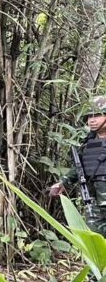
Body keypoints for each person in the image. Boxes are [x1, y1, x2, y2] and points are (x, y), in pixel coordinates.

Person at [49, 95, 106, 234]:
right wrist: (62, 183)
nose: (91, 120)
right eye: (88, 116)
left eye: (97, 115)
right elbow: (79, 168)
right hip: (93, 203)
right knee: (95, 243)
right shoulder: (87, 143)